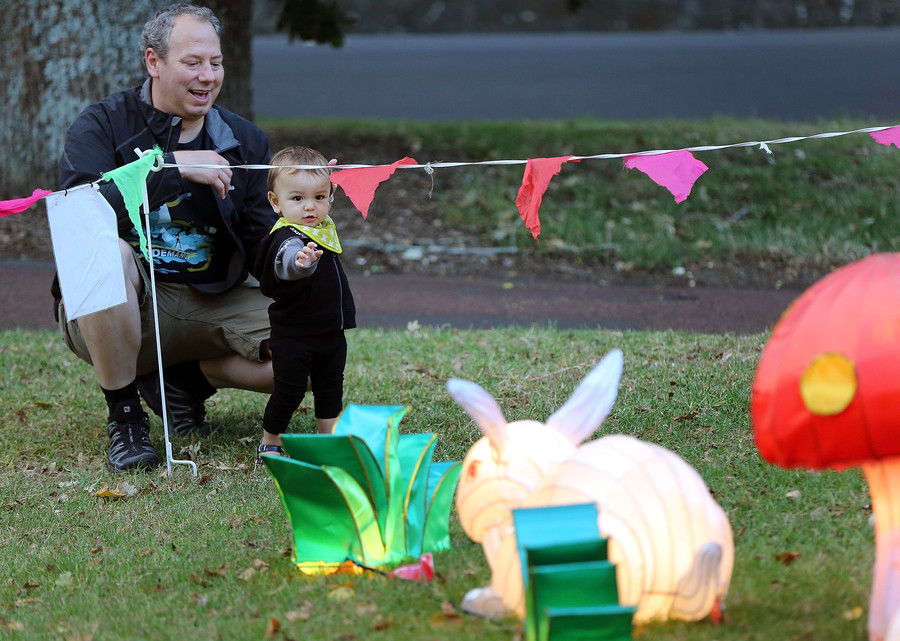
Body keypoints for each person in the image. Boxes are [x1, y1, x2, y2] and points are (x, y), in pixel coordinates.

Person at [55, 4, 277, 471]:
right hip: (123, 304)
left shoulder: (244, 139)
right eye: (192, 63)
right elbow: (79, 216)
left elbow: (261, 237)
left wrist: (297, 252)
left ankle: (184, 382)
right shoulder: (102, 124)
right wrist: (173, 169)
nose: (208, 76)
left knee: (314, 349)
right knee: (109, 252)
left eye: (215, 63)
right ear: (154, 62)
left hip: (211, 297)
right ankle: (126, 419)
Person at [253, 146, 356, 465]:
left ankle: (331, 443)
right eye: (297, 199)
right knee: (289, 391)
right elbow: (287, 264)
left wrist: (327, 179)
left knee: (330, 389)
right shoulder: (288, 238)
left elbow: (320, 188)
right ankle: (270, 442)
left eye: (320, 197)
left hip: (330, 332)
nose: (310, 206)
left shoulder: (322, 229)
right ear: (275, 202)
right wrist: (302, 263)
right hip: (293, 335)